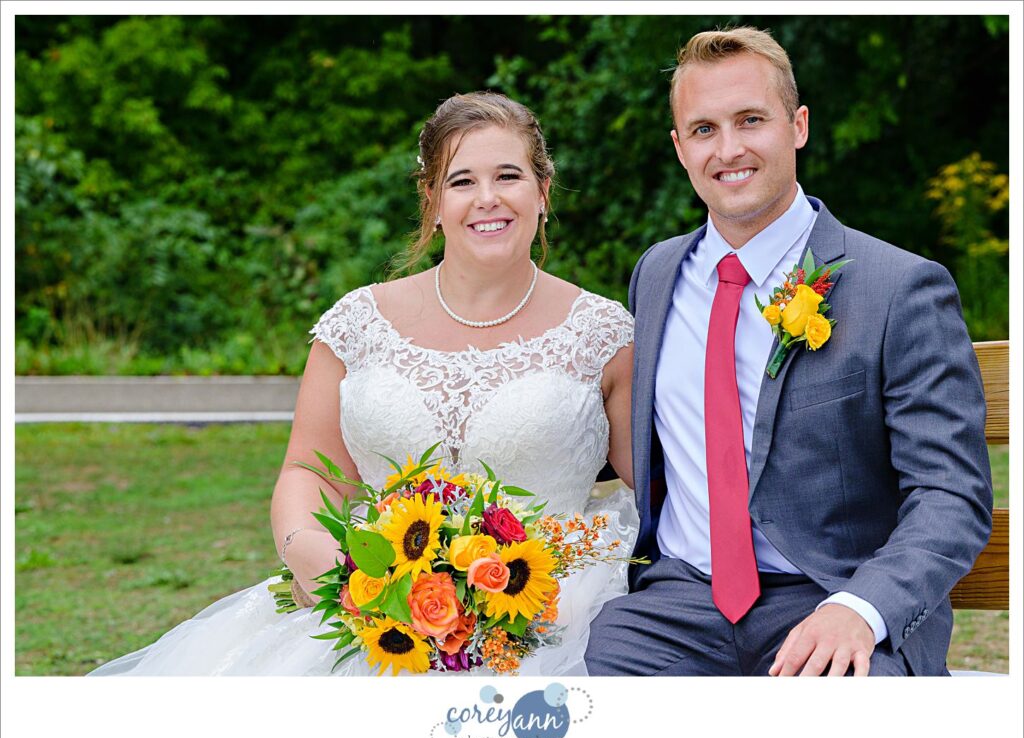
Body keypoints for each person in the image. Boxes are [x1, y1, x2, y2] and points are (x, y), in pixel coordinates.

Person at [89, 91, 638, 676]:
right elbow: (310, 472)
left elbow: (662, 488)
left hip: (551, 619)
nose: (488, 199)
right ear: (430, 199)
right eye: (460, 181)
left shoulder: (604, 334)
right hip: (372, 614)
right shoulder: (358, 324)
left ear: (542, 192)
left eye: (509, 175)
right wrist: (334, 571)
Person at [584, 27, 992, 676]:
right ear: (680, 148)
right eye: (704, 129)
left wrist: (862, 606)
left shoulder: (898, 289)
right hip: (679, 607)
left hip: (832, 594)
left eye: (751, 120)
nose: (730, 149)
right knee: (587, 703)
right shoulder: (658, 274)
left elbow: (951, 493)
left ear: (798, 126)